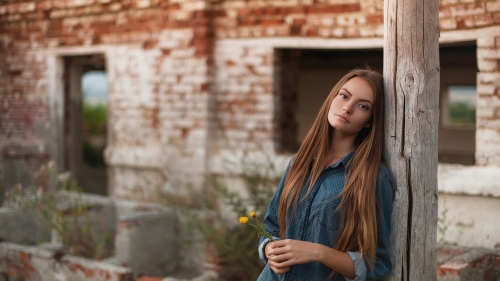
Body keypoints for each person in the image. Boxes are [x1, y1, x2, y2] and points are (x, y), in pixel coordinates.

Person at [257, 68, 394, 281]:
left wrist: (318, 252)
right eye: (344, 96)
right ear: (332, 98)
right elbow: (272, 225)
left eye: (363, 106)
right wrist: (268, 249)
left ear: (369, 120)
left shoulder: (375, 177)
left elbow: (378, 264)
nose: (347, 108)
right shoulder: (299, 162)